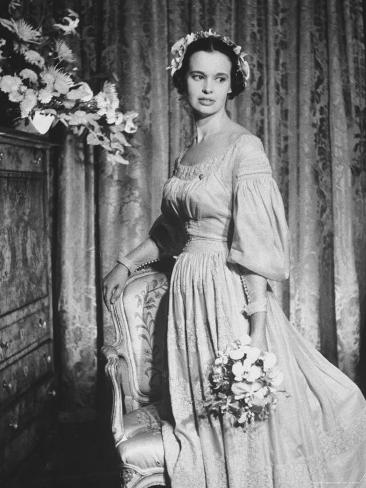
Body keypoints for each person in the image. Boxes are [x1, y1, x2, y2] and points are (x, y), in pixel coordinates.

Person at [103, 29, 366, 488]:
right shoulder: (187, 153)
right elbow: (168, 231)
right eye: (198, 76)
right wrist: (127, 263)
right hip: (188, 293)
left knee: (240, 411)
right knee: (205, 414)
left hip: (226, 293)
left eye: (219, 79)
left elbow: (255, 247)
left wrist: (256, 331)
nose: (208, 88)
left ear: (232, 86)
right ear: (181, 82)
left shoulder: (245, 147)